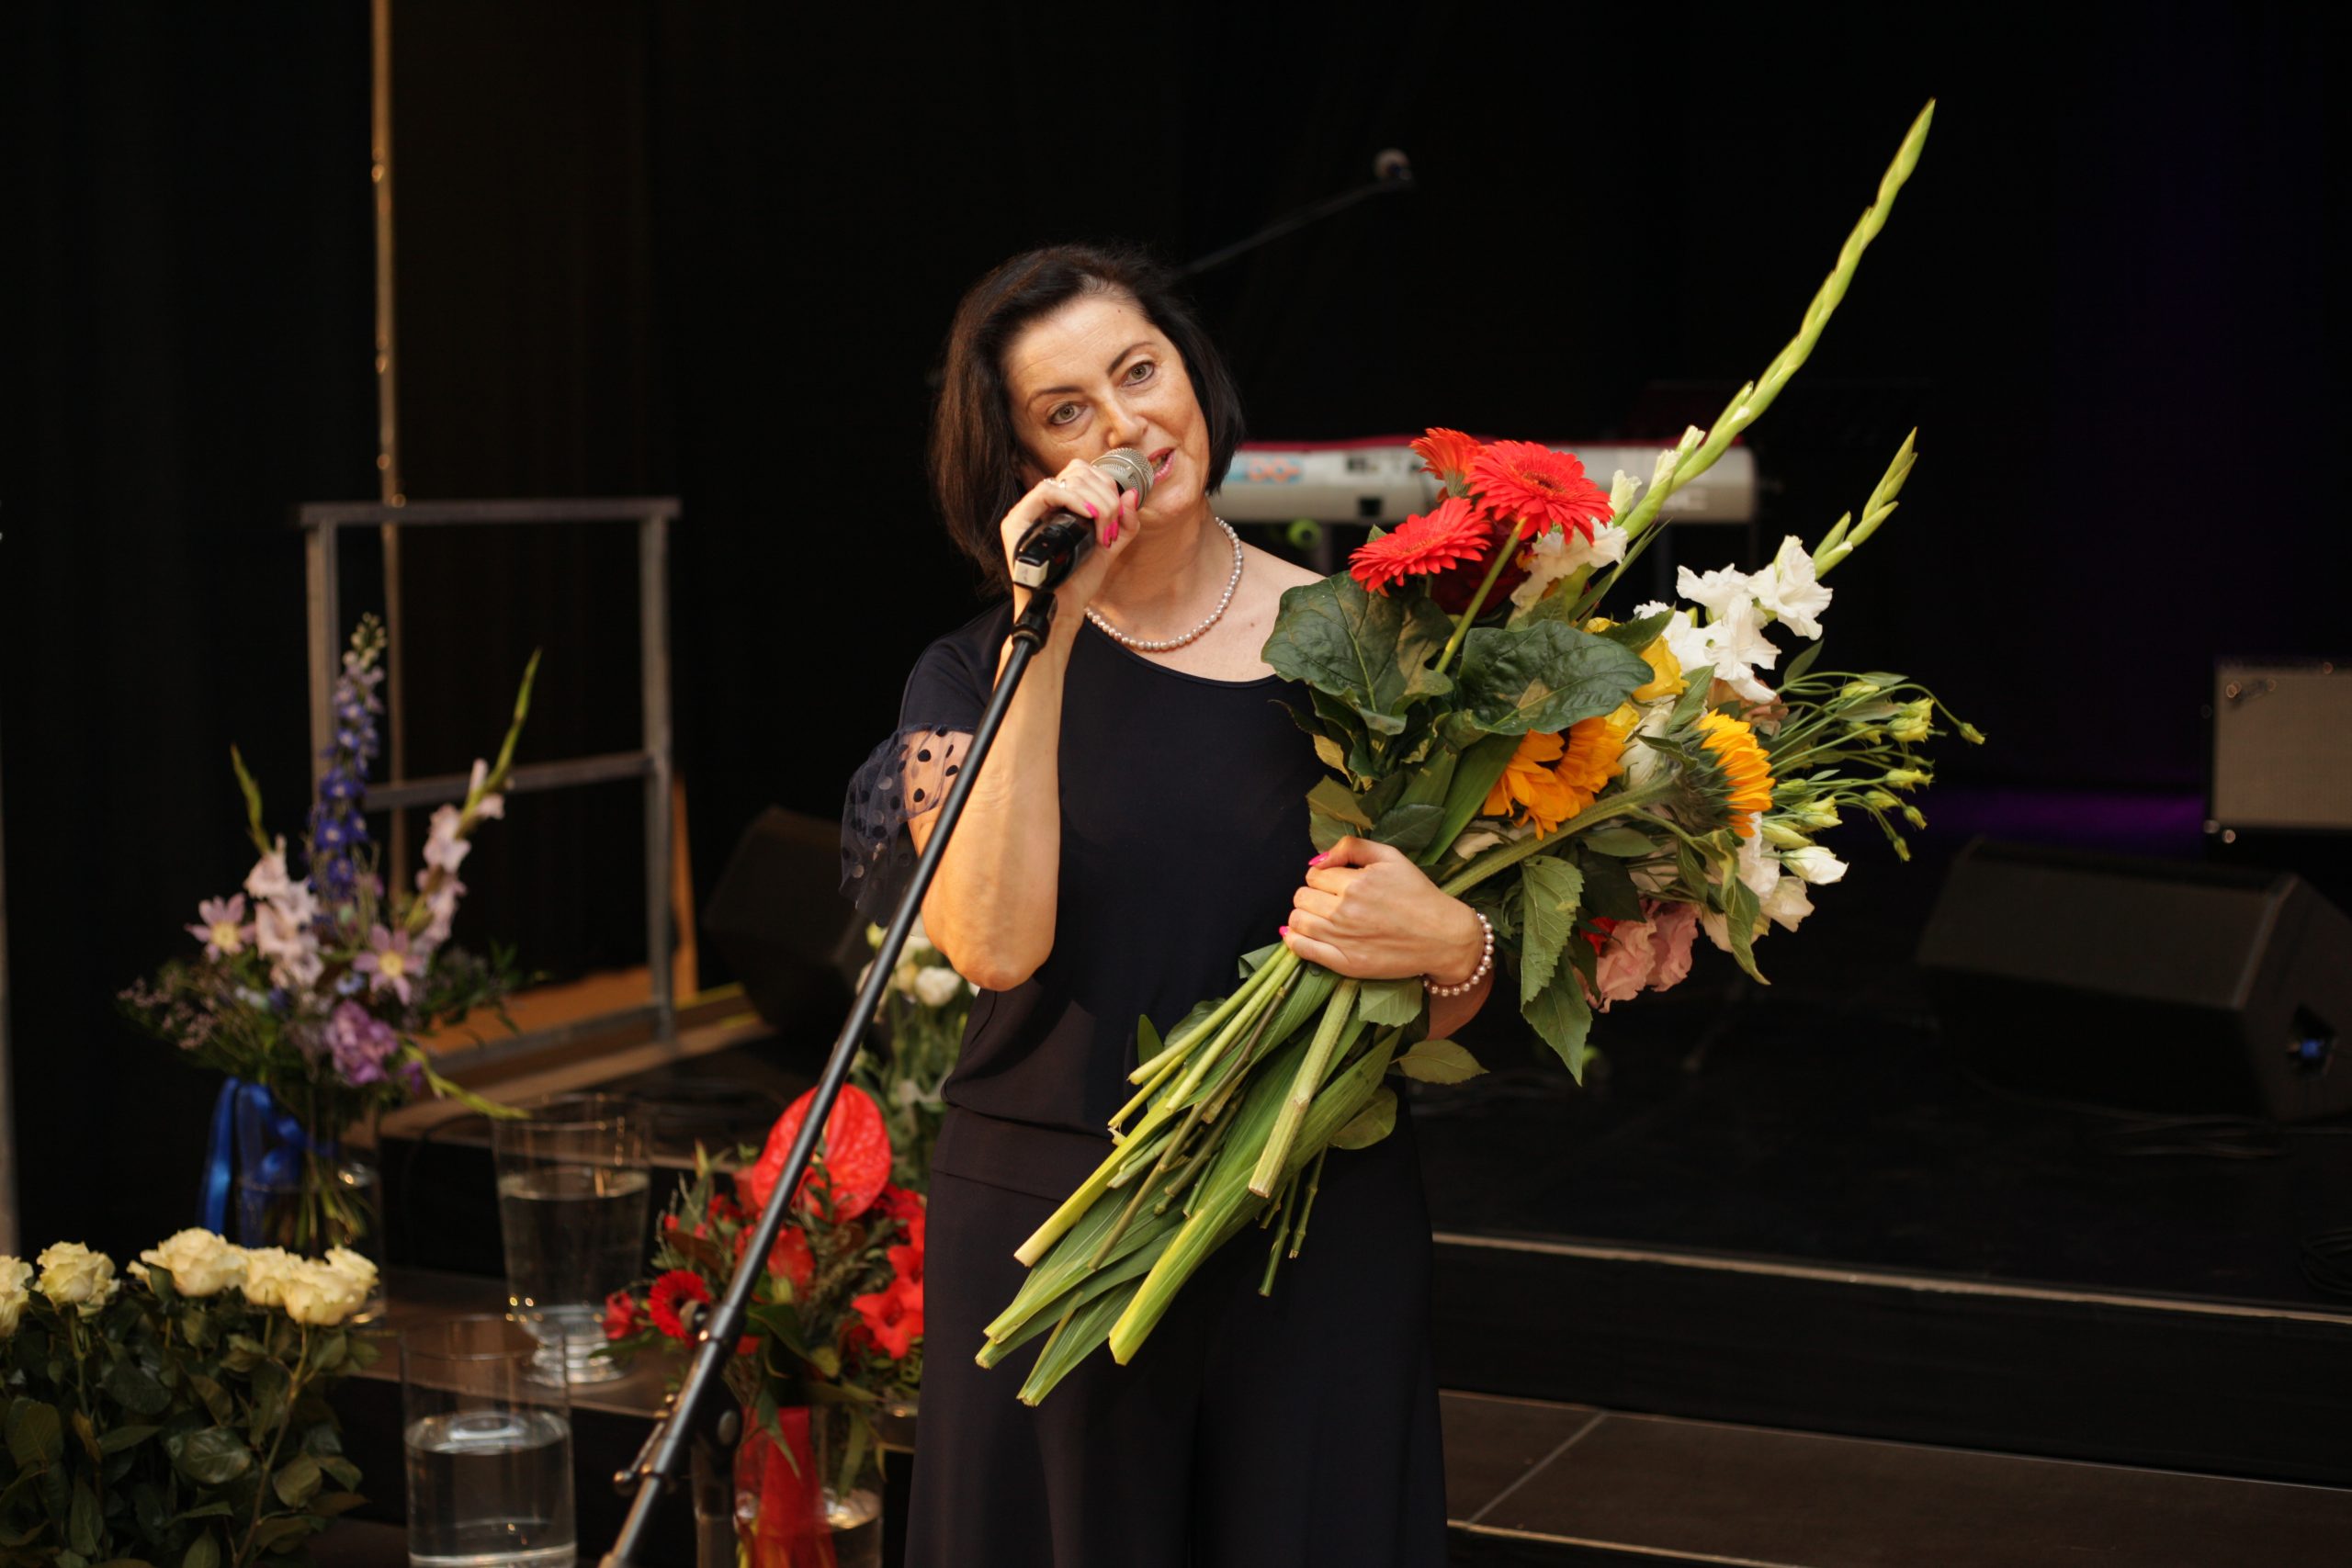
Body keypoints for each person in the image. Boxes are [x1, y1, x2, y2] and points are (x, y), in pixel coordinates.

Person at [839, 243, 1496, 1568]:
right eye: (1066, 411)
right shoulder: (972, 676)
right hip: (1057, 1226)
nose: (1125, 425)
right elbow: (995, 944)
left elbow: (1432, 988)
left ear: (1193, 374)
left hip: (1312, 1214)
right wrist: (1051, 621)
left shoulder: (1365, 649)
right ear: (1025, 469)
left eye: (1139, 373)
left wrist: (1457, 943)